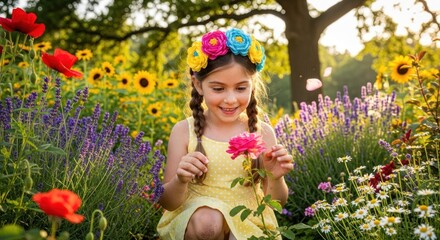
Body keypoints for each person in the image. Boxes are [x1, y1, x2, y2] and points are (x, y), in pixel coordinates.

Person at [157, 28, 294, 240]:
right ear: (198, 84)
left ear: (252, 85)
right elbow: (167, 201)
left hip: (249, 220)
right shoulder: (184, 131)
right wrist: (180, 179)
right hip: (198, 223)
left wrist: (276, 178)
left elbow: (275, 202)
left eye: (240, 88)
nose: (230, 99)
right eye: (218, 89)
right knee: (208, 224)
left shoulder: (262, 132)